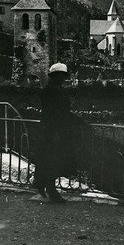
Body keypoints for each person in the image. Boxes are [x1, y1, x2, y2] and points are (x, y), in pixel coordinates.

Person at [35, 63, 84, 203]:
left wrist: (79, 121)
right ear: (53, 76)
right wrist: (54, 132)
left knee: (58, 161)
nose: (62, 79)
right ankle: (50, 190)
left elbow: (65, 112)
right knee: (51, 161)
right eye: (60, 76)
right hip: (51, 132)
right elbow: (49, 114)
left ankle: (44, 185)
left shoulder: (61, 90)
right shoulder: (47, 92)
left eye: (64, 76)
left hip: (61, 131)